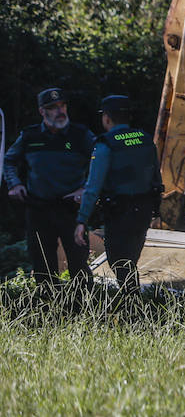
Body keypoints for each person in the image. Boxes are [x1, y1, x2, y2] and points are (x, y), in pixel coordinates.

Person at [3, 88, 96, 285]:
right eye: (53, 108)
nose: (59, 111)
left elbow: (101, 164)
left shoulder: (81, 135)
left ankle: (85, 309)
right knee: (43, 266)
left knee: (79, 264)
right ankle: (49, 309)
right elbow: (9, 161)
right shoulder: (30, 136)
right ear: (42, 111)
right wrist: (15, 184)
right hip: (39, 209)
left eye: (62, 105)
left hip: (72, 209)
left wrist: (86, 190)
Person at [74, 95, 160, 294]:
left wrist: (82, 220)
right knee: (130, 260)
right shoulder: (145, 139)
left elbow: (93, 187)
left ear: (106, 118)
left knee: (119, 261)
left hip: (119, 212)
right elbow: (156, 176)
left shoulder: (106, 145)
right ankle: (135, 302)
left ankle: (134, 307)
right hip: (144, 210)